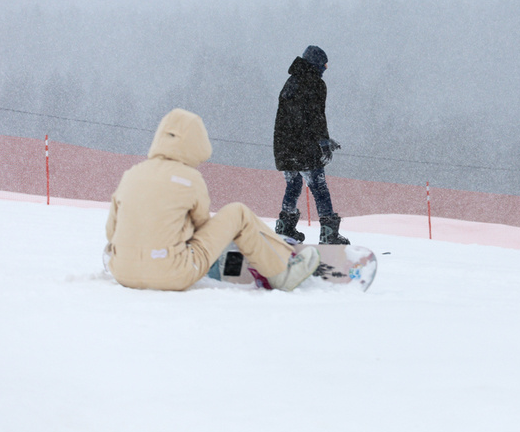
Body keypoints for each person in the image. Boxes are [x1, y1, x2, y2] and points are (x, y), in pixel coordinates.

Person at [105, 108, 319, 292]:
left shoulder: (131, 174)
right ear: (196, 144)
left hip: (122, 271)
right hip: (172, 272)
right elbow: (201, 227)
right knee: (238, 213)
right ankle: (281, 272)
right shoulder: (190, 178)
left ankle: (136, 263)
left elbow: (111, 231)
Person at [273, 45, 350, 245]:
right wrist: (323, 142)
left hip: (284, 147)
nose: (325, 68)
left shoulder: (291, 82)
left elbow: (288, 118)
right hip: (304, 147)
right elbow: (316, 116)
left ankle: (285, 228)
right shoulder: (314, 83)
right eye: (324, 64)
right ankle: (328, 234)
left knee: (294, 184)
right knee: (319, 186)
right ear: (316, 64)